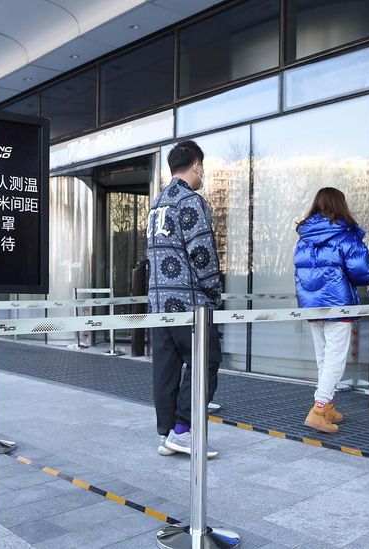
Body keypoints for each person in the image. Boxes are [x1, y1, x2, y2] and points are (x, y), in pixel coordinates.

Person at [147, 140, 223, 458]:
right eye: (201, 167)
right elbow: (201, 251)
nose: (202, 173)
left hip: (158, 302)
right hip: (189, 303)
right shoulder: (189, 201)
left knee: (165, 367)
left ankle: (167, 434)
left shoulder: (158, 202)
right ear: (196, 165)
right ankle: (183, 431)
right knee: (206, 361)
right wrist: (213, 292)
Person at [294, 188, 369, 433]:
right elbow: (361, 273)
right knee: (335, 359)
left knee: (323, 357)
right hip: (338, 303)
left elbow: (300, 269)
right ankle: (318, 409)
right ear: (341, 205)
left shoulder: (304, 235)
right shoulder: (346, 235)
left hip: (311, 303)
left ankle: (326, 403)